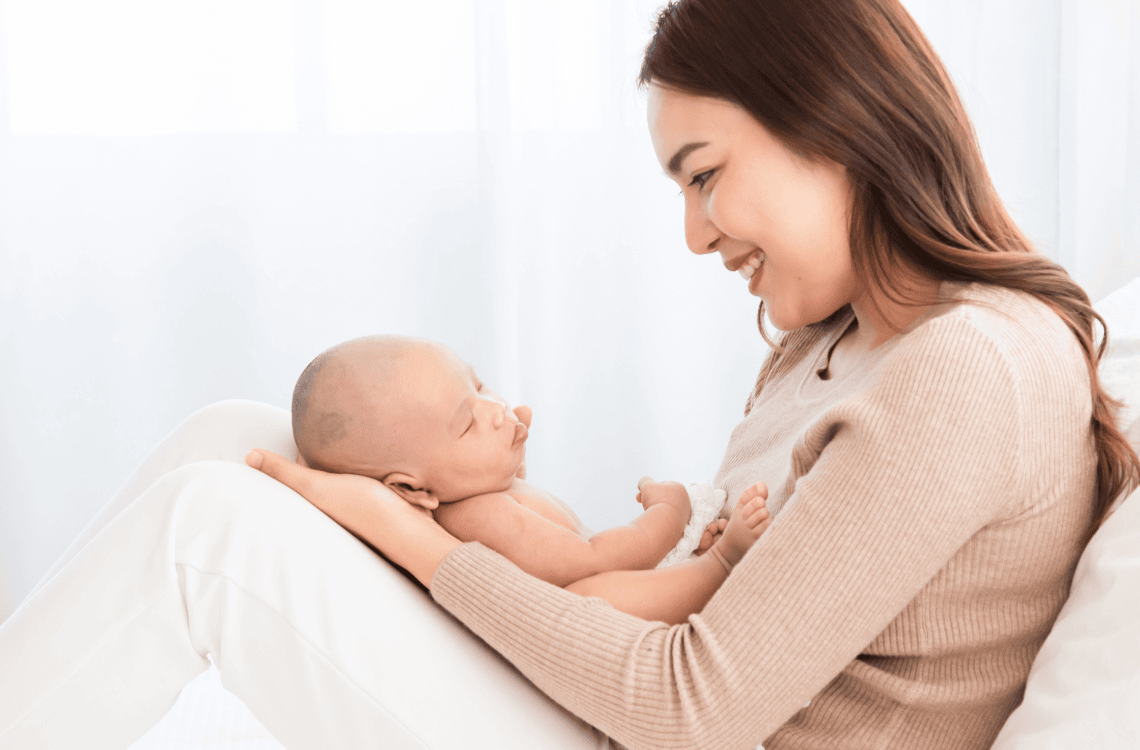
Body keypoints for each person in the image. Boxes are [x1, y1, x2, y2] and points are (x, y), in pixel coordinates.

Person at [1, 1, 1137, 749]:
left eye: (705, 176)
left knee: (209, 527)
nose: (695, 237)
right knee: (236, 437)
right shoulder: (834, 340)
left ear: (837, 131)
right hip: (621, 717)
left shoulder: (972, 368)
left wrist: (415, 540)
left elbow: (696, 702)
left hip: (659, 732)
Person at [291, 333, 771, 622]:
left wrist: (508, 460)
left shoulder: (480, 489)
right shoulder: (478, 515)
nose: (497, 411)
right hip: (596, 621)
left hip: (632, 577)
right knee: (594, 598)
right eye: (467, 422)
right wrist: (670, 513)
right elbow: (588, 560)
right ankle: (720, 566)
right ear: (413, 490)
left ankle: (687, 563)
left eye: (478, 385)